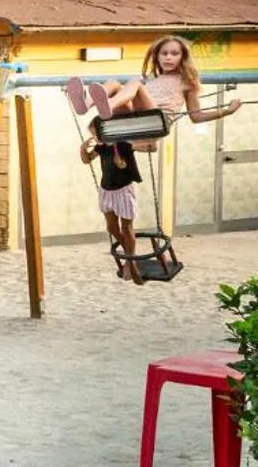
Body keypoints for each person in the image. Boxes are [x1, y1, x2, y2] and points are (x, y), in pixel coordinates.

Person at [65, 34, 244, 130]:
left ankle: (107, 106)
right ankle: (85, 104)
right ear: (157, 57)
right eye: (164, 53)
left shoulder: (186, 82)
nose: (168, 57)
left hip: (159, 119)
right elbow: (136, 100)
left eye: (174, 54)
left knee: (135, 83)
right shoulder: (151, 79)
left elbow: (196, 116)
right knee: (113, 83)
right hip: (138, 116)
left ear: (183, 58)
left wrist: (226, 111)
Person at [81, 129, 145, 283]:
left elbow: (126, 164)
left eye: (95, 132)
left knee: (126, 228)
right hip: (106, 190)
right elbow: (87, 159)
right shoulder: (102, 146)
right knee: (112, 228)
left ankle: (129, 264)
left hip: (123, 190)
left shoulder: (123, 144)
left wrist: (121, 163)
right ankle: (131, 258)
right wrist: (83, 149)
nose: (95, 136)